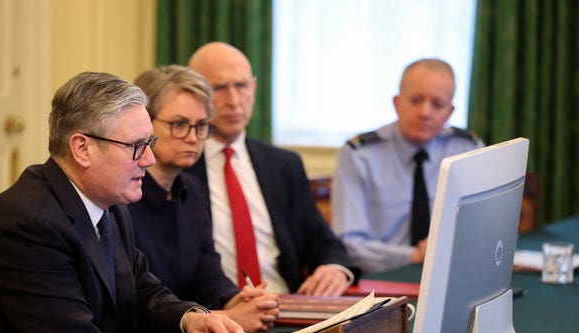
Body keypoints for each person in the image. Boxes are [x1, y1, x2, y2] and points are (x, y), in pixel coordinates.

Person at [0, 71, 242, 333]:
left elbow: (142, 289)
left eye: (150, 144)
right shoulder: (28, 223)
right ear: (82, 148)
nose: (149, 160)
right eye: (137, 147)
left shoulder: (109, 203)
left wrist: (189, 319)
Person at [186, 41, 359, 297]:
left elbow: (324, 243)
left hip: (284, 305)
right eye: (219, 88)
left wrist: (334, 269)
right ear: (195, 95)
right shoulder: (178, 168)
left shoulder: (283, 165)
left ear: (254, 89)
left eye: (241, 86)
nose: (234, 101)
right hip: (215, 314)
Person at [128, 65, 279, 333]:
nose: (193, 138)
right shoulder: (123, 196)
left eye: (201, 127)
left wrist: (240, 300)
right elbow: (135, 299)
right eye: (179, 125)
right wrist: (224, 316)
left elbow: (206, 274)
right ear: (145, 123)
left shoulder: (193, 190)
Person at [332, 58, 484, 274]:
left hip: (450, 273)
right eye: (415, 100)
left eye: (437, 104)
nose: (424, 112)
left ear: (449, 112)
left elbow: (481, 228)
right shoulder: (359, 155)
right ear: (396, 103)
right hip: (381, 279)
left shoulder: (468, 149)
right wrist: (415, 256)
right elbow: (350, 244)